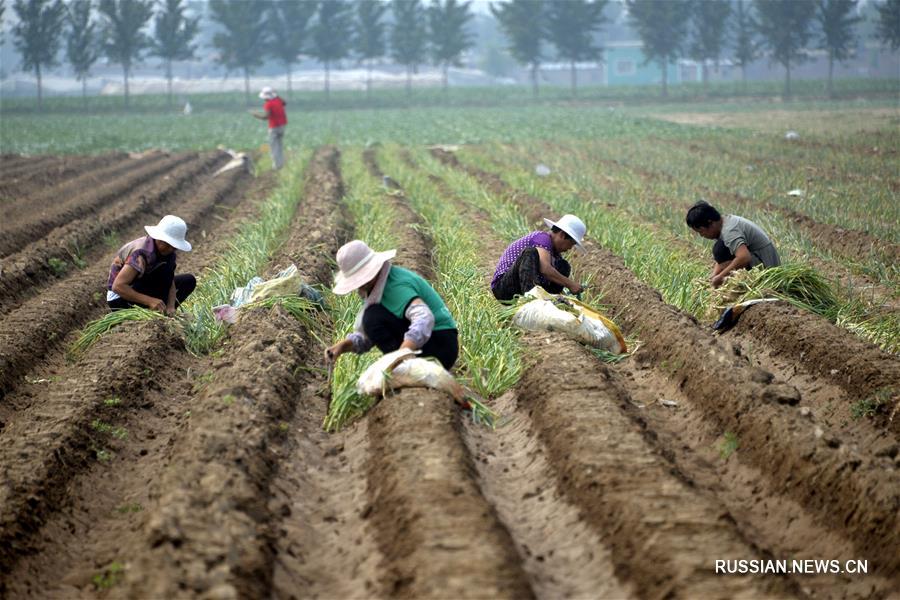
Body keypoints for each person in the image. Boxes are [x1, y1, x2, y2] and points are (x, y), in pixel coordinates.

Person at [324, 240, 459, 370]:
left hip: (441, 344)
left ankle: (404, 366)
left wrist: (399, 356)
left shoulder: (396, 285)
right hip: (433, 343)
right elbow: (369, 336)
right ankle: (404, 365)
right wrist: (341, 347)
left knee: (372, 316)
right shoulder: (376, 289)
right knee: (372, 318)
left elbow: (425, 318)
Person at [107, 215, 195, 314]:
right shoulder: (141, 253)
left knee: (188, 281)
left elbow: (169, 280)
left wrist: (171, 305)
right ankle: (154, 309)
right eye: (168, 244)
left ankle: (166, 313)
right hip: (120, 299)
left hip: (143, 287)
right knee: (159, 277)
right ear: (159, 238)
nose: (171, 249)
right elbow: (118, 286)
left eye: (174, 246)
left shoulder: (168, 253)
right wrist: (150, 301)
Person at [686, 200, 781, 288]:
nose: (702, 236)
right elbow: (721, 259)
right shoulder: (723, 223)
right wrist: (713, 277)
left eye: (701, 231)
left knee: (722, 251)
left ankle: (750, 284)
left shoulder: (730, 231)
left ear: (710, 223)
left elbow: (744, 257)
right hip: (759, 260)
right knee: (720, 250)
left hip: (767, 270)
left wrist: (721, 277)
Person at [491, 214, 586, 301]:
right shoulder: (542, 238)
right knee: (530, 252)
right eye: (571, 244)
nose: (570, 248)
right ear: (562, 235)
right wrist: (570, 284)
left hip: (522, 288)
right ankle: (532, 301)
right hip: (504, 288)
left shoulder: (555, 254)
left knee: (563, 266)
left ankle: (546, 303)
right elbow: (545, 269)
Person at [251, 86, 287, 170]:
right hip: (282, 126)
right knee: (279, 145)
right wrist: (276, 95)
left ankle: (276, 166)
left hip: (274, 127)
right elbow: (284, 103)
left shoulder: (268, 104)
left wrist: (255, 114)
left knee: (273, 147)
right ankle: (281, 164)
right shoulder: (278, 100)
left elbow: (266, 117)